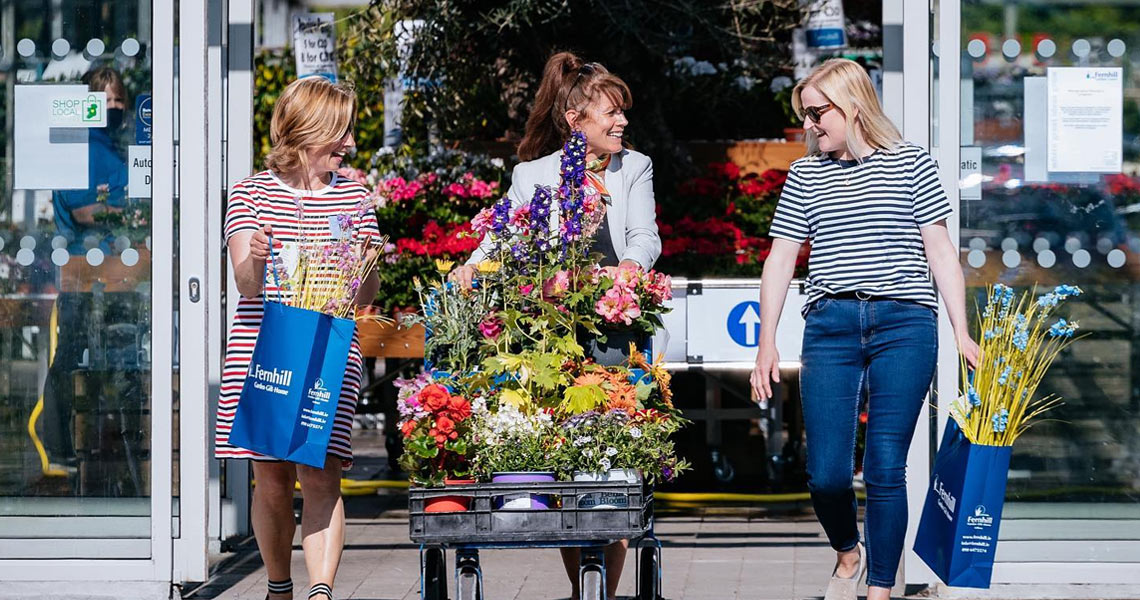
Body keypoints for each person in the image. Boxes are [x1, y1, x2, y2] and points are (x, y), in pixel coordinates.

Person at [749, 58, 980, 600]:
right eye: (805, 114)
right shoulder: (806, 174)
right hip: (830, 326)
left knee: (883, 468)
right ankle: (848, 554)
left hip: (905, 323)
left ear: (851, 106)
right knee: (826, 474)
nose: (808, 125)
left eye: (815, 113)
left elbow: (940, 250)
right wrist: (766, 342)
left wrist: (961, 330)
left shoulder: (911, 163)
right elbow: (781, 258)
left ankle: (880, 590)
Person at [451, 51, 661, 600]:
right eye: (610, 114)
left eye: (623, 114)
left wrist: (629, 271)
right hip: (551, 334)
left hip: (615, 332)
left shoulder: (633, 167)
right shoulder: (533, 175)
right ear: (576, 121)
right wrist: (474, 264)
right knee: (566, 464)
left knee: (610, 464)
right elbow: (505, 236)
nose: (621, 123)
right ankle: (582, 588)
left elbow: (645, 237)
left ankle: (604, 593)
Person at [214, 76, 380, 600]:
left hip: (329, 352)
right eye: (341, 131)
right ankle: (279, 586)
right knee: (273, 479)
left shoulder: (354, 194)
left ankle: (321, 593)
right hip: (264, 351)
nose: (349, 143)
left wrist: (369, 258)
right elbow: (244, 283)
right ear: (310, 130)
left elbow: (366, 293)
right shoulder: (251, 192)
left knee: (323, 472)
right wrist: (257, 256)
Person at [41, 65, 130, 472]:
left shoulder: (116, 146)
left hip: (120, 273)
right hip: (82, 270)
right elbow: (84, 210)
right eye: (104, 100)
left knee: (118, 359)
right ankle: (59, 443)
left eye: (118, 99)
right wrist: (128, 213)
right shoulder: (79, 147)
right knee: (71, 355)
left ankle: (101, 446)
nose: (113, 107)